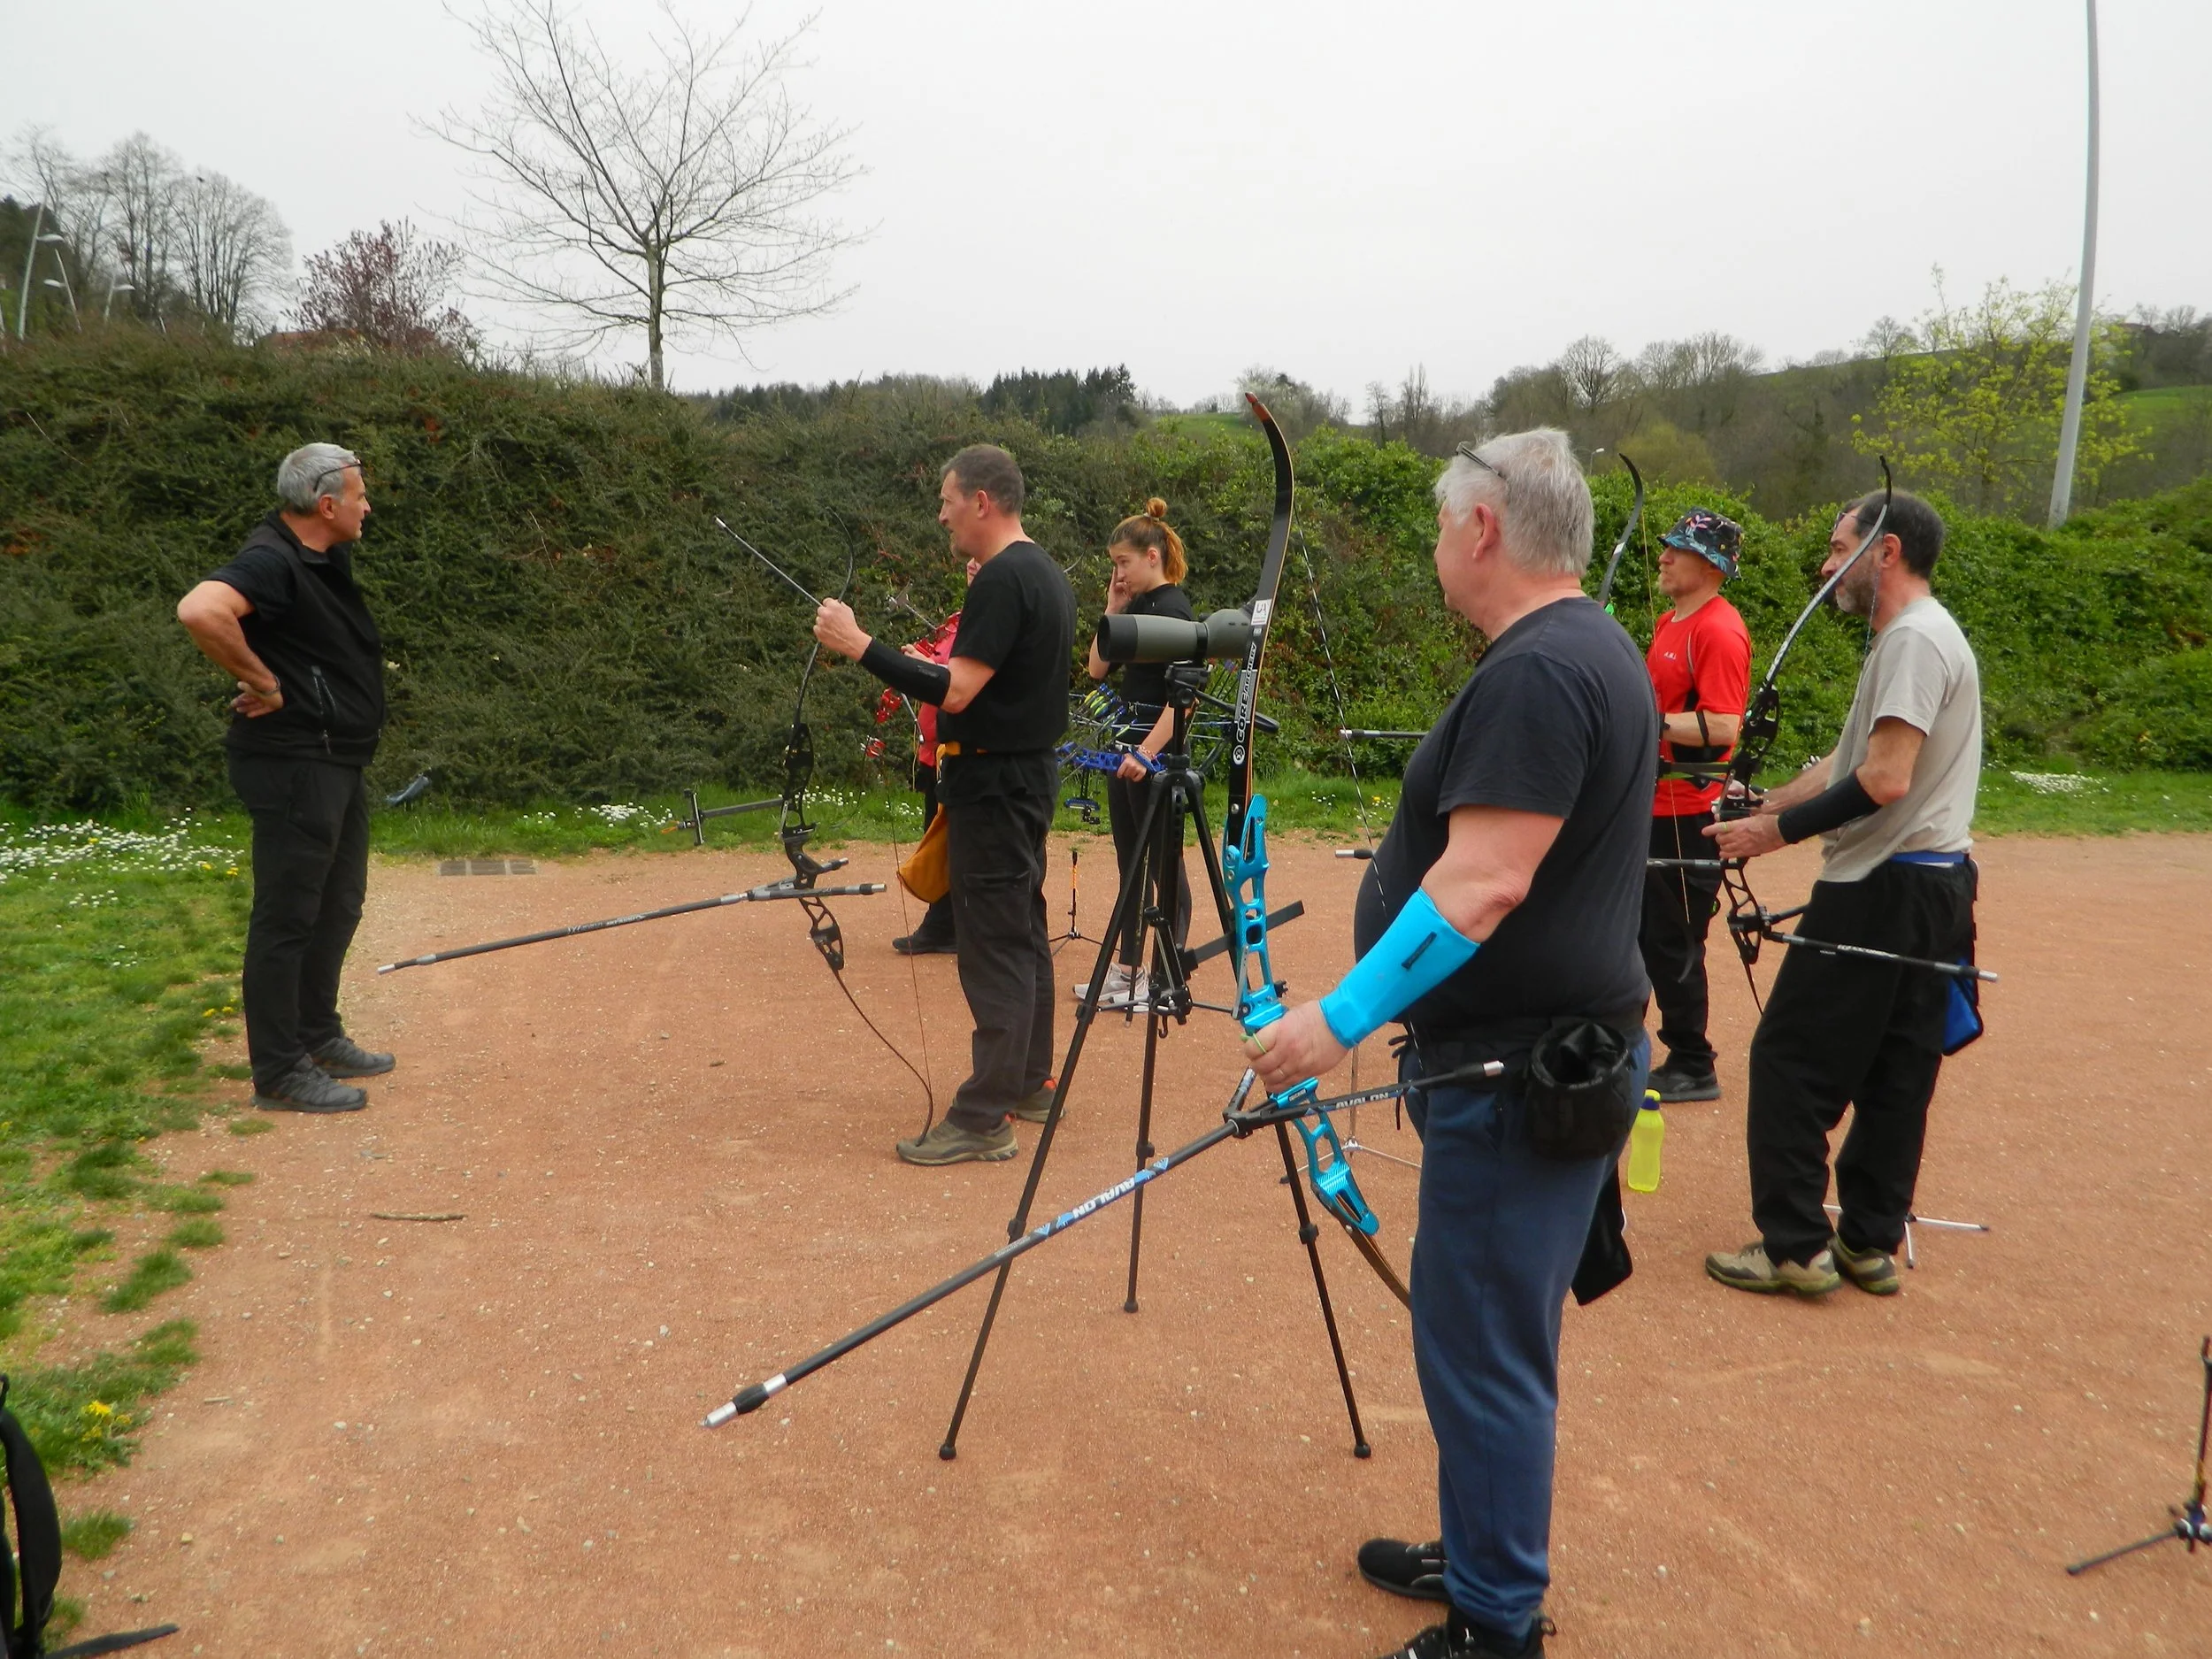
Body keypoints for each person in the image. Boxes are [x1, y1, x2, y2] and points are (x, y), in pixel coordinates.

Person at [1248, 430, 1656, 1659]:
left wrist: (1333, 1020)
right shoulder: (1583, 649)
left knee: (1483, 1344)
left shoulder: (1541, 670)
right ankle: (1481, 1548)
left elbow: (1481, 885)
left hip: (1516, 1074)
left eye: (1439, 527)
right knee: (1480, 1331)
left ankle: (1495, 1619)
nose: (1435, 549)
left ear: (1483, 529)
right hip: (1529, 1062)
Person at [1702, 489, 1980, 1299]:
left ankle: (1793, 1244)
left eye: (1837, 549)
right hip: (1935, 888)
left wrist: (1771, 838)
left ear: (1884, 552)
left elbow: (1886, 779)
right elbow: (1851, 760)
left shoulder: (1914, 641)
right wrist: (1771, 804)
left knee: (1789, 1059)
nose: (1827, 570)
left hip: (1880, 887)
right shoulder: (1916, 637)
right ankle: (1867, 1240)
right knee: (1898, 1069)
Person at [813, 444, 1077, 1165]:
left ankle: (984, 1115)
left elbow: (956, 691)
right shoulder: (1044, 572)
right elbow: (979, 679)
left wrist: (859, 644)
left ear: (982, 501)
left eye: (947, 498)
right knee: (1023, 933)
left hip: (995, 788)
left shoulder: (1002, 577)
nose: (941, 513)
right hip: (1023, 781)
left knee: (993, 948)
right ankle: (1029, 1083)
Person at [175, 444, 396, 1114]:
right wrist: (263, 680)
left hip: (335, 758)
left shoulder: (321, 558)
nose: (367, 505)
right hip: (294, 763)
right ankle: (278, 1070)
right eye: (359, 494)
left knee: (338, 903)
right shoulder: (273, 559)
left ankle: (316, 1034)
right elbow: (200, 610)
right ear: (326, 504)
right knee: (289, 915)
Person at [1639, 509, 1753, 1103]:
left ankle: (1692, 1060)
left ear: (1710, 564)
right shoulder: (1670, 620)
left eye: (1676, 550)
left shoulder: (1718, 630)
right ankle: (1617, 1041)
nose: (1663, 557)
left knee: (1672, 938)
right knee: (1632, 931)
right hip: (1649, 804)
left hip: (1687, 810)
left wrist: (1646, 721)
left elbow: (1725, 724)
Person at [1074, 498, 1196, 1010]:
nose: (1118, 572)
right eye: (1113, 565)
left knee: (1166, 867)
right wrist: (1112, 608)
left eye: (1123, 563)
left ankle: (1169, 976)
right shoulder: (1137, 607)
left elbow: (1184, 702)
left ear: (1152, 556)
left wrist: (1147, 754)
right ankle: (1129, 971)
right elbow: (1096, 671)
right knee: (1131, 863)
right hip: (1125, 750)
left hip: (1157, 758)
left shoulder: (1175, 610)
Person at [882, 558, 979, 957]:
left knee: (951, 841)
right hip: (933, 748)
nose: (971, 563)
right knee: (937, 834)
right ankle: (945, 925)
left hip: (960, 749)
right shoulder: (961, 619)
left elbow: (960, 680)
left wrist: (923, 666)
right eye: (970, 560)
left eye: (981, 558)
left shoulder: (984, 622)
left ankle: (948, 927)